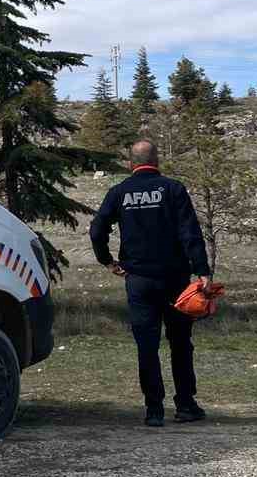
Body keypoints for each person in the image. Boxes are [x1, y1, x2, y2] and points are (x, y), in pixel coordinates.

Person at [89, 139, 212, 428]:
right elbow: (190, 233)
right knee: (181, 343)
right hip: (176, 280)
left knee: (147, 346)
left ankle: (154, 410)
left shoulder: (119, 192)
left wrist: (107, 261)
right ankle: (185, 405)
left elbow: (96, 230)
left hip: (139, 280)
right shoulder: (173, 189)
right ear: (156, 161)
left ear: (130, 163)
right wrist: (202, 270)